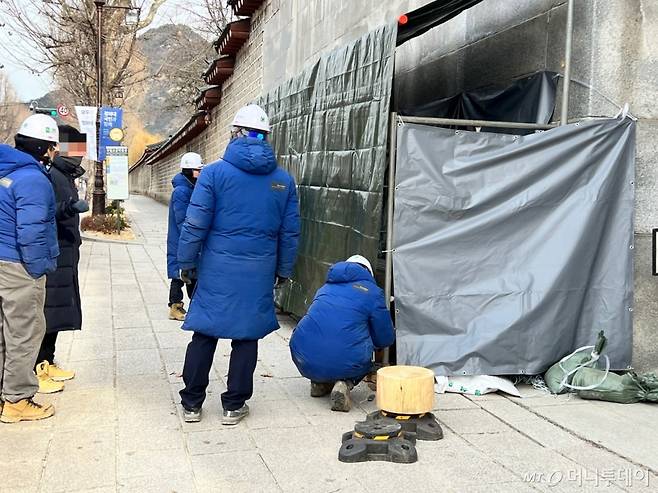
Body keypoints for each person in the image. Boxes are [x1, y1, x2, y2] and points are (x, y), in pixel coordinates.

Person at [177, 104, 300, 424]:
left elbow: (195, 223)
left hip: (217, 267)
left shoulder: (214, 174)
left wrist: (186, 262)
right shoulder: (283, 181)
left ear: (235, 134)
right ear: (266, 138)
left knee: (205, 332)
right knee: (246, 336)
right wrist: (283, 271)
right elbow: (290, 232)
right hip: (259, 272)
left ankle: (192, 402)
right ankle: (234, 404)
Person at [0, 114, 60, 423]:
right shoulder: (33, 179)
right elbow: (32, 232)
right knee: (24, 331)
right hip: (18, 265)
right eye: (54, 147)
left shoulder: (5, 169)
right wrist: (38, 269)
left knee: (3, 332)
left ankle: (4, 394)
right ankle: (17, 400)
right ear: (46, 149)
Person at [289, 255, 395, 412]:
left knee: (326, 339)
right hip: (346, 360)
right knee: (357, 350)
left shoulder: (324, 288)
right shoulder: (373, 293)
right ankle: (345, 384)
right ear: (368, 273)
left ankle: (318, 382)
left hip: (302, 358)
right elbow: (384, 337)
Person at [34, 125, 89, 394]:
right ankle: (38, 366)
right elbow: (44, 212)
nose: (80, 155)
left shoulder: (64, 175)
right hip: (55, 250)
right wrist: (67, 207)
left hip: (67, 249)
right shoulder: (52, 176)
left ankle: (48, 359)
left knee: (57, 310)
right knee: (47, 310)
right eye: (75, 149)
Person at [167, 152, 204, 321]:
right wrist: (193, 236)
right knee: (179, 274)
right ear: (189, 170)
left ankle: (195, 305)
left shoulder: (190, 187)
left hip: (188, 238)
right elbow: (183, 220)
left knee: (191, 273)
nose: (200, 173)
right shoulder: (182, 191)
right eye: (197, 170)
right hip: (181, 239)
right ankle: (175, 307)